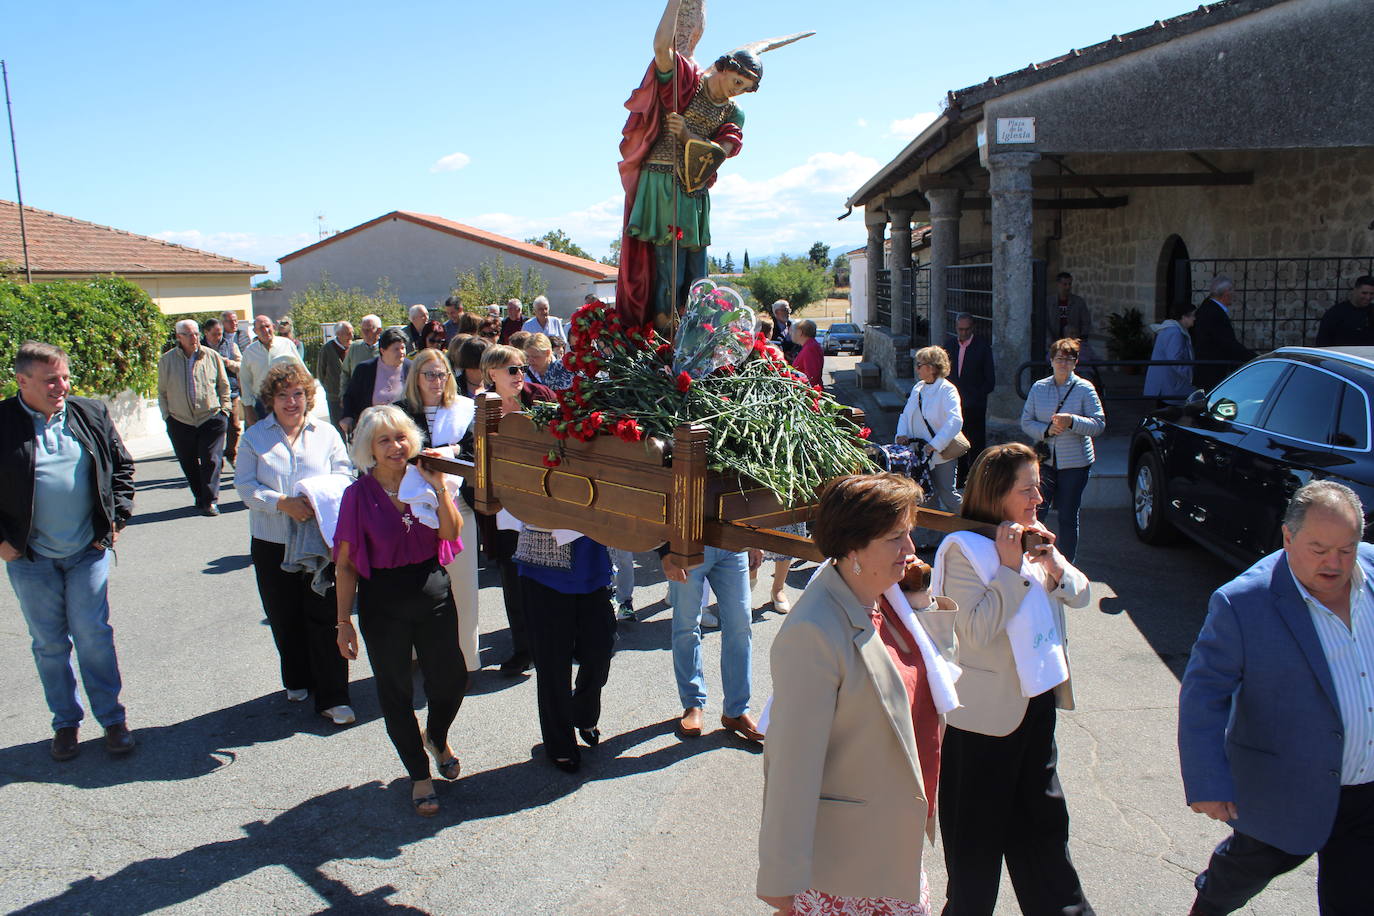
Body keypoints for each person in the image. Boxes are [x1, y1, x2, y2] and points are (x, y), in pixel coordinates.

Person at [758, 473, 959, 916]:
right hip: (847, 870)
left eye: (909, 534)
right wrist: (781, 881)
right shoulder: (813, 630)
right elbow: (792, 765)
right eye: (895, 538)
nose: (911, 550)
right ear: (852, 548)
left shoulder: (883, 598)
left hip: (887, 849)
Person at [1179, 480, 1374, 916]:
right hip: (1284, 788)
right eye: (1319, 548)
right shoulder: (1243, 603)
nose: (1334, 562)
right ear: (1288, 537)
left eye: (1346, 548)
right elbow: (1204, 694)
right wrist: (1207, 781)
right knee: (1236, 879)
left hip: (1366, 790)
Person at [932, 442, 1095, 916]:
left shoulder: (1032, 538)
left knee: (1044, 830)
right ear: (998, 492)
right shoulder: (961, 549)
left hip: (1036, 704)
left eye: (1038, 486)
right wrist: (1007, 569)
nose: (1038, 498)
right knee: (975, 850)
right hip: (983, 722)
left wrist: (1050, 561)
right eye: (1028, 488)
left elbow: (1080, 595)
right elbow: (975, 634)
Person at [1, 341, 136, 760]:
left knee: (94, 636)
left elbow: (122, 466)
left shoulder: (88, 413)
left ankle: (112, 719)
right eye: (50, 380)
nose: (61, 386)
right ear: (22, 381)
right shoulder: (2, 422)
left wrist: (117, 518)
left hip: (87, 549)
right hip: (29, 557)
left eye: (64, 377)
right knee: (49, 644)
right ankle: (65, 723)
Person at [334, 405, 467, 817]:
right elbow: (345, 564)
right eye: (384, 440)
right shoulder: (357, 495)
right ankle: (418, 774)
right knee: (395, 693)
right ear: (369, 449)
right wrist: (343, 623)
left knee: (452, 681)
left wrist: (440, 487)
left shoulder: (424, 479)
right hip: (383, 602)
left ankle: (437, 735)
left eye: (401, 437)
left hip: (432, 589)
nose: (396, 446)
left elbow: (450, 532)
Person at [616, 0, 762, 329]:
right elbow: (660, 48)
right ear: (724, 67)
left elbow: (720, 153)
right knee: (669, 269)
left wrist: (687, 133)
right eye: (737, 81)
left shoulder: (732, 112)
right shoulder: (685, 81)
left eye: (745, 89)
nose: (736, 91)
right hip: (661, 182)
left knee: (698, 274)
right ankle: (667, 342)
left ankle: (699, 339)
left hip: (694, 190)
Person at [235, 361, 355, 726]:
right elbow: (244, 485)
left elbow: (345, 472)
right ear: (271, 399)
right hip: (272, 541)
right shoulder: (255, 437)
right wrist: (280, 502)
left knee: (325, 615)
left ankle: (333, 696)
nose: (291, 402)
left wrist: (318, 497)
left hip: (317, 541)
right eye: (283, 395)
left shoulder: (326, 433)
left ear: (309, 397)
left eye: (298, 394)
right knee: (284, 617)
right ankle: (298, 678)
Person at [392, 348, 481, 673]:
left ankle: (467, 662)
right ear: (415, 377)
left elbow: (476, 447)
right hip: (413, 512)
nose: (436, 381)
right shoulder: (399, 412)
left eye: (442, 374)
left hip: (460, 509)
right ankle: (421, 657)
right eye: (429, 374)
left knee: (463, 591)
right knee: (418, 591)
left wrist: (452, 450)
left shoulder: (466, 409)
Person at [481, 345, 557, 675]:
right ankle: (523, 649)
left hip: (542, 500)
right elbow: (476, 449)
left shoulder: (539, 395)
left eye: (522, 368)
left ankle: (556, 645)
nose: (519, 375)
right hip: (504, 507)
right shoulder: (483, 405)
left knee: (551, 577)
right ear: (491, 373)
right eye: (512, 369)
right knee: (513, 583)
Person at [518, 527, 616, 774]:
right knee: (553, 664)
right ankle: (559, 742)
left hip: (593, 564)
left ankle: (583, 714)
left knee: (600, 649)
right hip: (544, 565)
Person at [662, 540, 765, 741]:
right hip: (687, 542)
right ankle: (693, 703)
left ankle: (736, 710)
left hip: (732, 542)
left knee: (740, 624)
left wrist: (752, 539)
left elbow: (745, 506)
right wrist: (666, 553)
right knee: (687, 625)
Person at [1020, 338, 1105, 564]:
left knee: (1068, 516)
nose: (1063, 364)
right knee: (1037, 513)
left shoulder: (1085, 388)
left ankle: (1065, 567)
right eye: (1059, 359)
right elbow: (1026, 422)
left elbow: (1099, 424)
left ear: (1075, 363)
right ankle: (1035, 560)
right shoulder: (1039, 387)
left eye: (1068, 360)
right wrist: (1046, 430)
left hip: (1075, 463)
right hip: (1045, 461)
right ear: (1051, 360)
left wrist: (1072, 421)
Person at [157, 319, 231, 516]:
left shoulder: (211, 356)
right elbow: (162, 392)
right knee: (188, 461)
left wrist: (225, 410)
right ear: (179, 337)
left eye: (196, 334)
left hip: (211, 417)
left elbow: (224, 385)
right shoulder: (167, 360)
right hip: (180, 420)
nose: (194, 338)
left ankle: (211, 501)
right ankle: (200, 496)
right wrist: (167, 417)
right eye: (188, 334)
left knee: (211, 460)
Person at [896, 346, 964, 537]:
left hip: (940, 454)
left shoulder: (948, 390)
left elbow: (955, 420)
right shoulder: (918, 388)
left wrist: (935, 444)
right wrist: (901, 435)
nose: (917, 369)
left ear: (933, 367)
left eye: (920, 365)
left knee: (948, 495)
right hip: (920, 454)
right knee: (926, 497)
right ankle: (931, 539)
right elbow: (906, 414)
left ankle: (973, 528)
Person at [943, 313, 995, 484]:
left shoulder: (982, 347)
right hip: (954, 406)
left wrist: (975, 397)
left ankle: (977, 479)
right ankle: (959, 478)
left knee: (976, 443)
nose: (963, 333)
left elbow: (990, 381)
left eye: (966, 330)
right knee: (956, 442)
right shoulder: (949, 346)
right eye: (960, 329)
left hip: (975, 407)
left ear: (972, 328)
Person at [340, 328, 410, 435]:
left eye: (403, 348)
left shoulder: (411, 368)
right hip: (371, 429)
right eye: (396, 349)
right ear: (382, 350)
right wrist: (347, 416)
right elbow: (350, 396)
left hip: (402, 428)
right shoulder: (364, 369)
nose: (401, 352)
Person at [1192, 276, 1255, 391]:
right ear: (1226, 293)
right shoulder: (1213, 313)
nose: (1233, 294)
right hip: (1212, 371)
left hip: (1210, 369)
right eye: (1231, 290)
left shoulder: (1209, 308)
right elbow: (1227, 343)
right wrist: (1254, 358)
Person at [239, 314, 303, 425]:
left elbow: (301, 371)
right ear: (255, 331)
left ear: (273, 327)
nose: (265, 330)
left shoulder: (287, 345)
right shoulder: (249, 352)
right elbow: (245, 382)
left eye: (268, 326)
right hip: (262, 404)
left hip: (287, 401)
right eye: (261, 328)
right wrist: (248, 410)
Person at [203, 317, 244, 466]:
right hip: (209, 394)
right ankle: (215, 459)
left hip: (229, 391)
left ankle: (231, 453)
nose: (218, 337)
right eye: (214, 334)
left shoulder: (230, 346)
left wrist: (229, 363)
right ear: (206, 333)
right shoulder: (200, 348)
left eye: (220, 333)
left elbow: (241, 365)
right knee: (213, 428)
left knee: (234, 426)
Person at [1143, 303, 1197, 404]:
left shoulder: (1172, 330)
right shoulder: (1175, 333)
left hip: (1167, 384)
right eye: (1192, 315)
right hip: (1168, 386)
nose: (1194, 318)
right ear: (1183, 317)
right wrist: (1191, 376)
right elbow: (1175, 360)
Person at [1315, 274, 1374, 347]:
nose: (1368, 297)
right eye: (1364, 293)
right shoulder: (1336, 313)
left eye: (1371, 294)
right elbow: (1323, 341)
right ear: (1355, 290)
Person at [315, 321, 353, 430]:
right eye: (347, 333)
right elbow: (320, 373)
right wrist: (330, 388)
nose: (351, 336)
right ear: (338, 334)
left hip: (352, 395)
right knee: (337, 426)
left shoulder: (354, 347)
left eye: (352, 333)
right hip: (334, 396)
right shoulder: (327, 349)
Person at [1046, 271, 1092, 353]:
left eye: (1070, 284)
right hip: (1053, 343)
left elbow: (1086, 321)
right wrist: (1049, 339)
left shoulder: (1079, 302)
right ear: (1058, 284)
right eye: (1065, 284)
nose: (1068, 287)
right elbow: (1044, 322)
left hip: (1073, 344)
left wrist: (1081, 338)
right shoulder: (1049, 302)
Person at [341, 314, 382, 394]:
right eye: (362, 330)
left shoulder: (387, 348)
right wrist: (344, 395)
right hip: (358, 396)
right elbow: (345, 373)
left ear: (379, 330)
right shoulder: (354, 347)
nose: (364, 333)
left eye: (368, 330)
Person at [790, 319, 823, 387]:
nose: (790, 334)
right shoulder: (810, 345)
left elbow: (812, 378)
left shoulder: (810, 348)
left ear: (800, 332)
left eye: (792, 331)